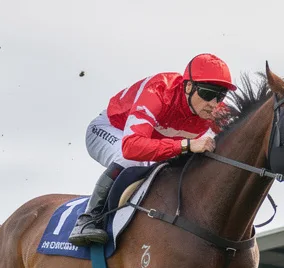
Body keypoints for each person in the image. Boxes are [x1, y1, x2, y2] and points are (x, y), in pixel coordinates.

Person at [68, 53, 237, 246]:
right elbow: (131, 147)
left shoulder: (215, 111)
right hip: (111, 130)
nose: (214, 103)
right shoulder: (158, 91)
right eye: (208, 94)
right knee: (131, 160)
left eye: (220, 96)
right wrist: (186, 145)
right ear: (188, 86)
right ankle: (88, 219)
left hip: (148, 143)